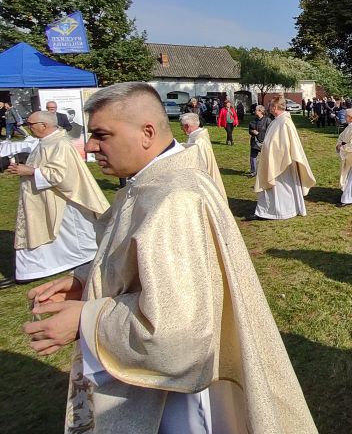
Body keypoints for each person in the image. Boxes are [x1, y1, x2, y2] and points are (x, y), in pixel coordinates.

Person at [22, 82, 317, 433]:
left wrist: (86, 321)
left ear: (147, 133)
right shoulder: (150, 182)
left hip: (171, 399)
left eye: (102, 135)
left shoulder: (174, 199)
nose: (89, 146)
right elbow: (139, 258)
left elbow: (176, 335)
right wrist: (85, 280)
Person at [2, 111, 107, 289]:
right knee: (43, 231)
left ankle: (32, 270)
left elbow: (62, 175)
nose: (27, 127)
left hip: (60, 200)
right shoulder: (46, 141)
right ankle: (30, 270)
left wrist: (31, 171)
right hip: (42, 198)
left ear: (44, 125)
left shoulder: (60, 144)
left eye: (30, 124)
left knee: (54, 232)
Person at [251, 96, 316, 220]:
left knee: (282, 187)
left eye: (270, 106)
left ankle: (281, 211)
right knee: (274, 188)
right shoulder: (277, 121)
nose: (269, 108)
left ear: (275, 107)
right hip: (274, 160)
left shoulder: (285, 122)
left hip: (282, 163)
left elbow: (285, 146)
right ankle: (268, 210)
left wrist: (271, 151)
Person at [180, 112, 226, 197]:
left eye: (181, 126)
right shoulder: (198, 136)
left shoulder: (199, 141)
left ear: (186, 126)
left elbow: (200, 166)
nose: (181, 129)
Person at [247, 104, 271, 177]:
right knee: (252, 157)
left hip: (264, 142)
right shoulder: (253, 121)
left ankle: (268, 172)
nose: (254, 111)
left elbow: (270, 131)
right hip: (255, 142)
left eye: (256, 110)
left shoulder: (267, 120)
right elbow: (250, 130)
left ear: (260, 111)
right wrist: (252, 131)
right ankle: (253, 171)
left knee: (267, 158)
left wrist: (259, 134)